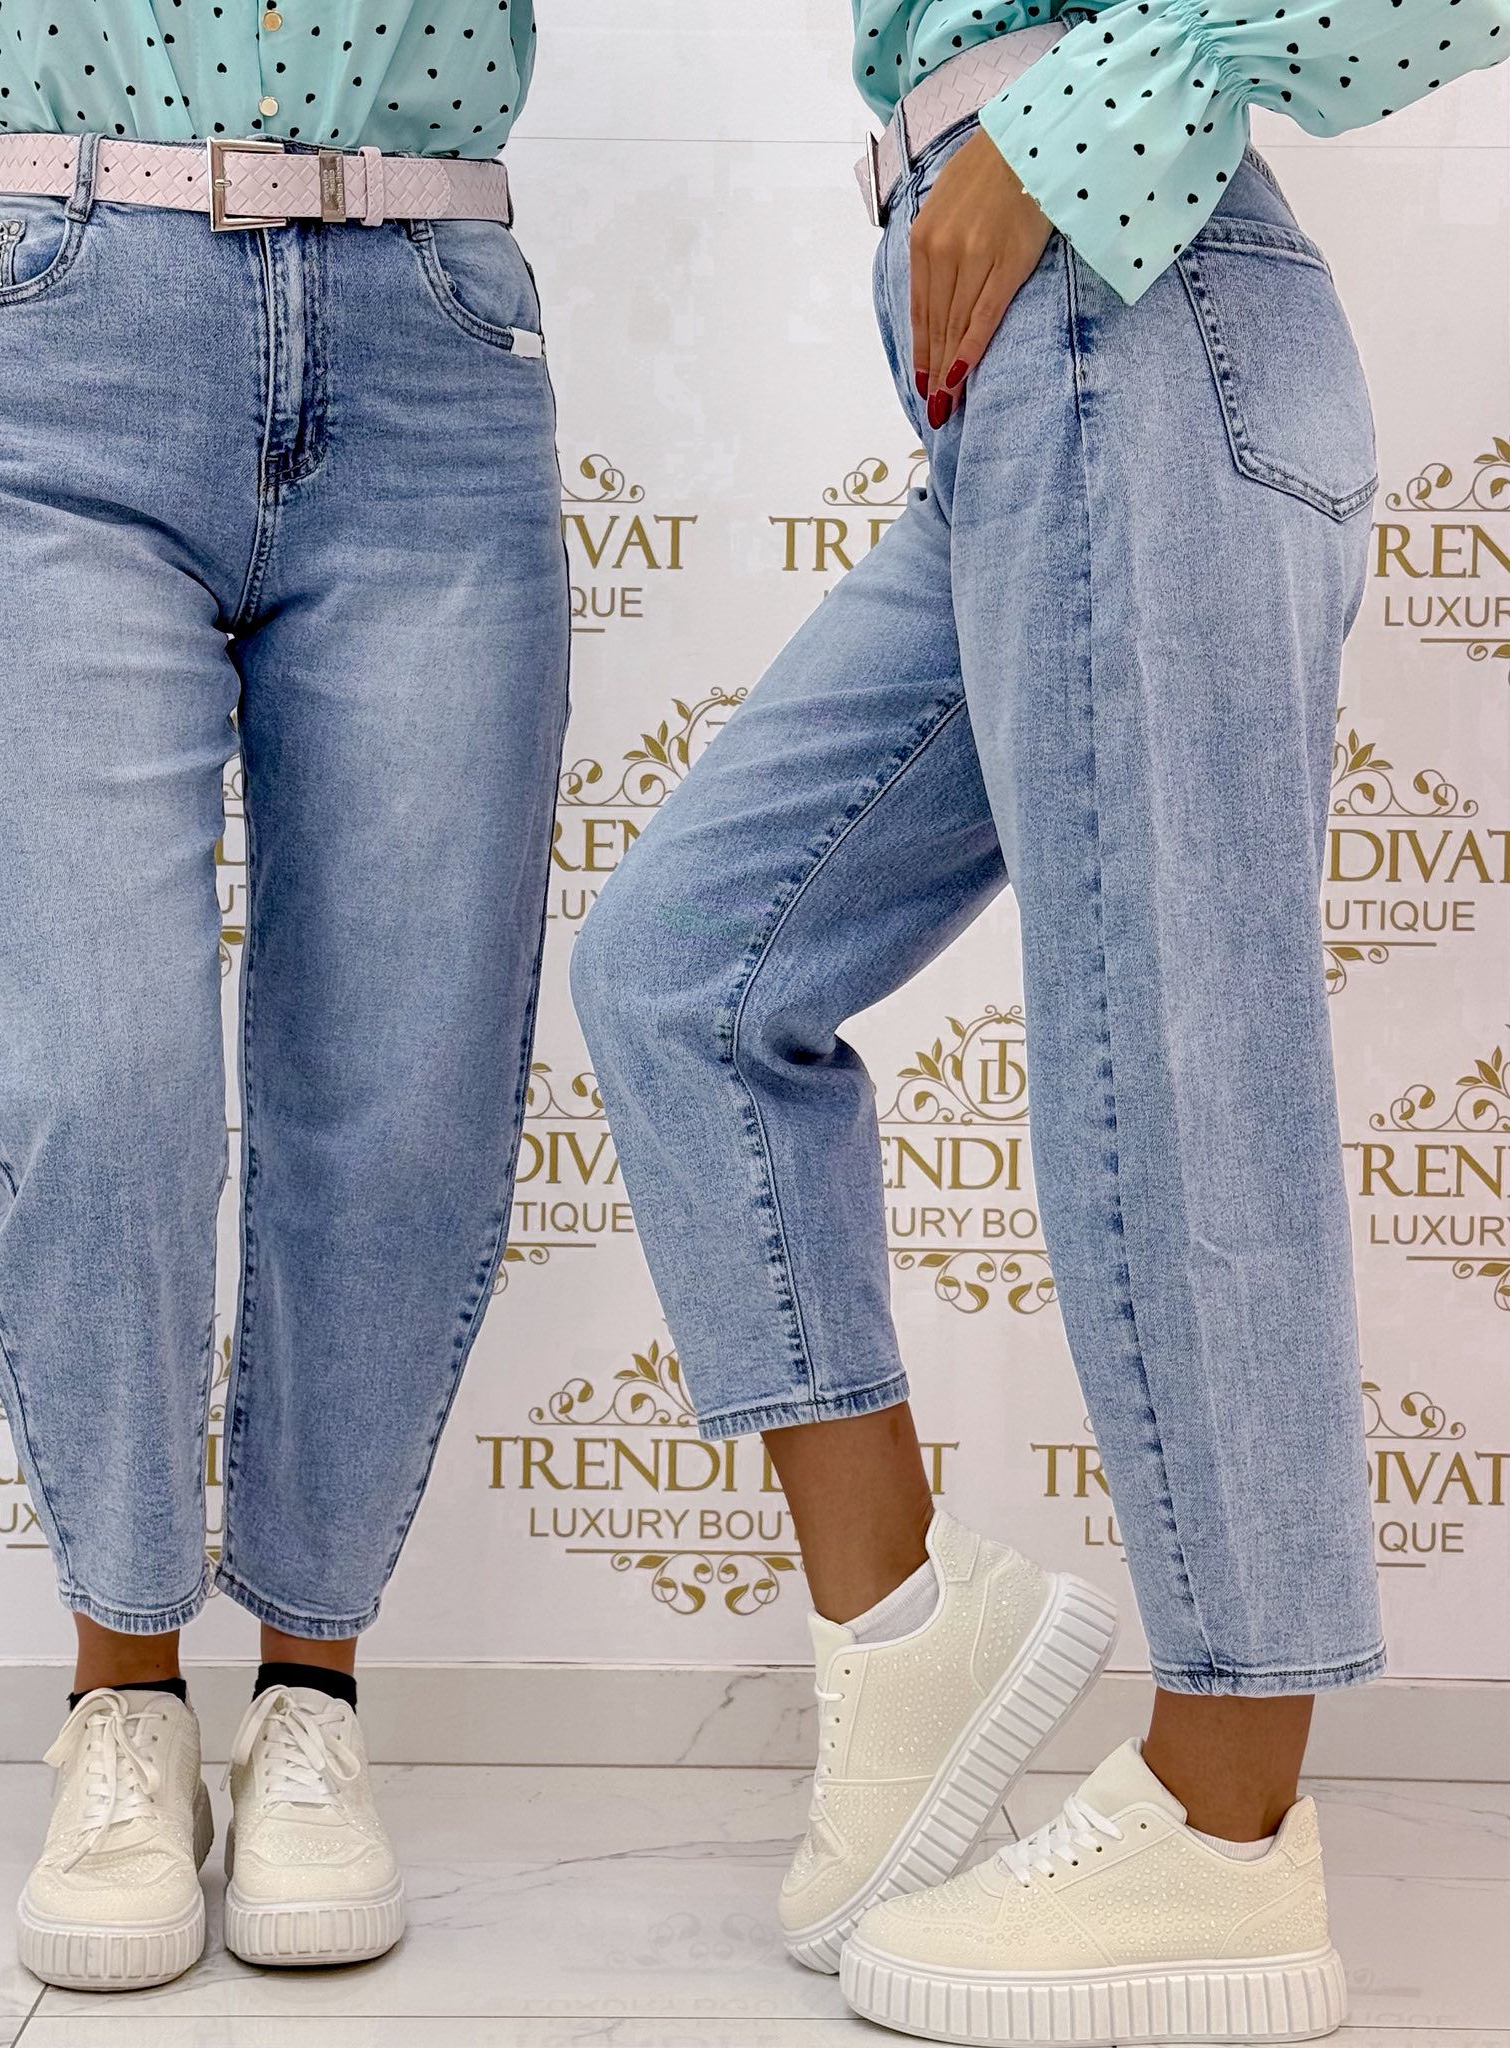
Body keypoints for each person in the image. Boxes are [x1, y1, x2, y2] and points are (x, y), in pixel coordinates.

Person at [571, 1, 1509, 2039]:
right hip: (1022, 367)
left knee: (1171, 1061)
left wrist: (1060, 134)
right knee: (682, 970)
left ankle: (1228, 1823)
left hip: (1137, 302)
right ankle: (907, 1641)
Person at [0, 1, 567, 1992]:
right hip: (64, 324)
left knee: (401, 1080)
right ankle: (120, 1698)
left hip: (428, 324)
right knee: (99, 1076)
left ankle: (309, 1698)